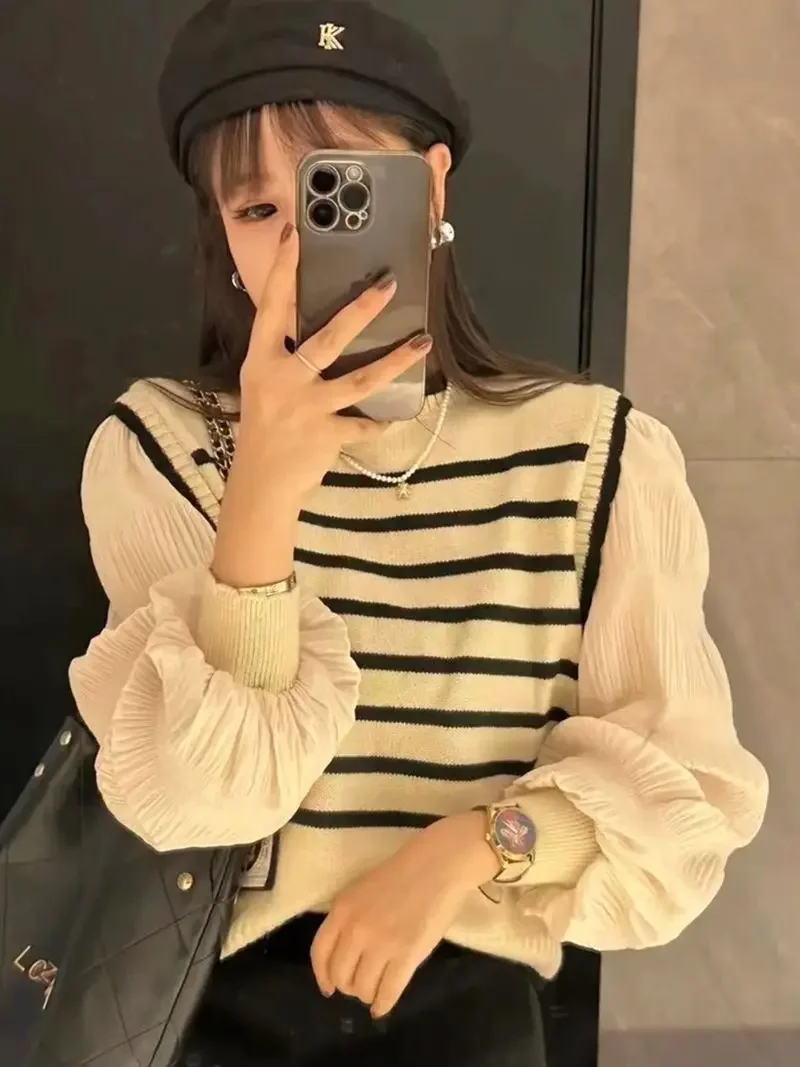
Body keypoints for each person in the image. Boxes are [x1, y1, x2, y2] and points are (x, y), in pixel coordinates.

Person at [68, 2, 768, 1065]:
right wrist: (262, 496)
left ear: (431, 191)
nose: (299, 244)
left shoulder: (593, 454)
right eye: (257, 207)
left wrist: (469, 849)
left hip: (474, 1021)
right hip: (209, 1017)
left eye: (341, 192)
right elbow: (205, 802)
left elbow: (687, 801)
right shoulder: (161, 446)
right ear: (221, 233)